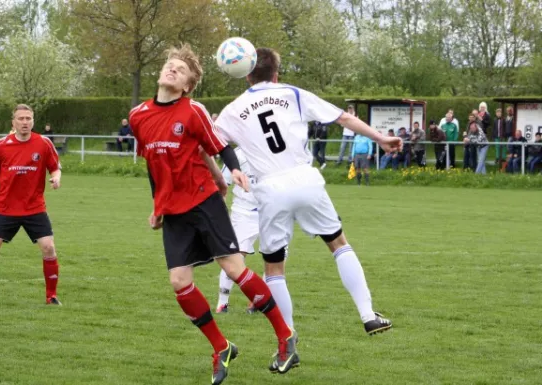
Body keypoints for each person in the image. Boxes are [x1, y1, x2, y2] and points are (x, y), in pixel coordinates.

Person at [128, 44, 296, 384]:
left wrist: (232, 171)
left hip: (203, 200)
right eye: (169, 65)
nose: (172, 70)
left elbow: (218, 147)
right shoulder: (138, 117)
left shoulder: (193, 112)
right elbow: (153, 165)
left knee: (234, 269)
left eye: (181, 69)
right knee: (179, 282)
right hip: (173, 209)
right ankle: (222, 347)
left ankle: (285, 336)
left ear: (188, 85)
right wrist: (156, 205)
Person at [215, 47, 396, 349]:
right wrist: (381, 138)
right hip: (306, 179)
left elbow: (209, 142)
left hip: (269, 190)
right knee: (339, 244)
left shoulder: (234, 109)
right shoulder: (293, 94)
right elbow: (344, 119)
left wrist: (221, 176)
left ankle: (287, 339)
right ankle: (368, 315)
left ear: (246, 74)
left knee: (274, 268)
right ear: (276, 73)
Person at [0, 104, 62, 306]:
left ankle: (51, 297)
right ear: (13, 122)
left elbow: (55, 168)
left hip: (34, 208)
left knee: (49, 247)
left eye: (28, 119)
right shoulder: (1, 145)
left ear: (33, 121)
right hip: (6, 208)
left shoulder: (43, 144)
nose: (25, 122)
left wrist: (56, 178)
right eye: (21, 119)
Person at [215, 147, 266, 315]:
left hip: (272, 212)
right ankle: (222, 303)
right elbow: (222, 183)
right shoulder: (238, 154)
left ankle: (258, 301)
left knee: (276, 260)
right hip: (243, 213)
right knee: (235, 258)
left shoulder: (274, 149)